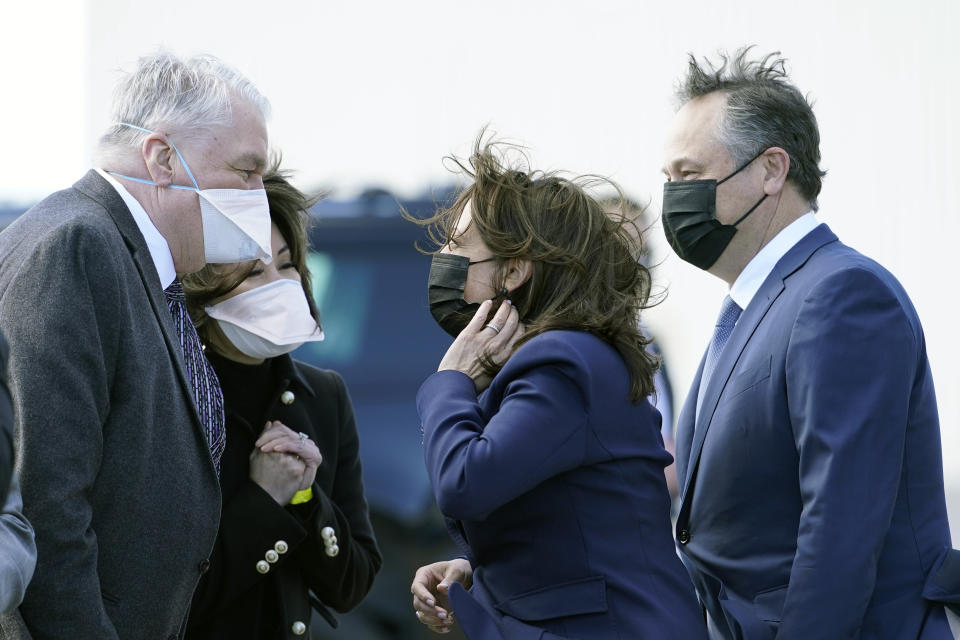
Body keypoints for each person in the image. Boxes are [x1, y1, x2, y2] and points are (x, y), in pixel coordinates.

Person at [662, 47, 957, 638]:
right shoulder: (755, 304)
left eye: (689, 175)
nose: (673, 197)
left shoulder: (841, 294)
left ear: (772, 170)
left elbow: (840, 531)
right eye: (667, 179)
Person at [0, 52, 274, 639]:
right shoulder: (77, 246)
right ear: (163, 158)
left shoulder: (128, 257)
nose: (259, 196)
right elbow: (47, 503)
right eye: (246, 174)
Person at [410, 137, 707, 639]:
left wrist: (449, 383)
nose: (444, 258)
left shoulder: (561, 362)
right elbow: (568, 518)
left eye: (459, 246)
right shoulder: (562, 358)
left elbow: (468, 484)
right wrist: (481, 575)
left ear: (514, 271)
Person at [182, 164, 381, 639]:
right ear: (200, 290)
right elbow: (172, 598)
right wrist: (266, 501)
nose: (278, 283)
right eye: (253, 271)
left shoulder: (324, 395)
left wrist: (307, 497)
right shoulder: (174, 396)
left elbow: (351, 585)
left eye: (287, 264)